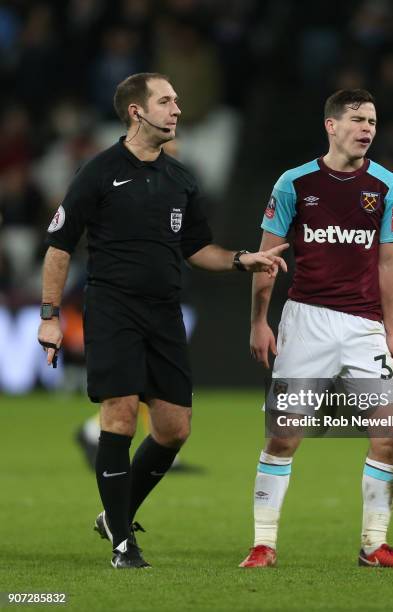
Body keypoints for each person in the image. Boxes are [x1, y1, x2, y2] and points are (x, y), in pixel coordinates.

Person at [38, 72, 287, 570]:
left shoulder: (181, 178)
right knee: (121, 416)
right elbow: (59, 247)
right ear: (137, 111)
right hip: (112, 308)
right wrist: (49, 316)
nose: (177, 109)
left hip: (164, 313)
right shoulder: (99, 171)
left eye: (176, 100)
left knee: (174, 429)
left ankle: (116, 514)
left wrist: (242, 260)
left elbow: (197, 249)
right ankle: (123, 544)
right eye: (166, 101)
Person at [239, 89, 393, 569]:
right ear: (331, 125)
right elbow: (267, 260)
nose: (368, 128)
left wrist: (392, 331)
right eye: (358, 119)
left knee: (391, 430)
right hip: (305, 321)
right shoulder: (294, 184)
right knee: (284, 435)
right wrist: (260, 322)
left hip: (364, 326)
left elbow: (390, 263)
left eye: (373, 121)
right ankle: (263, 544)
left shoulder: (388, 186)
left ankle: (374, 545)